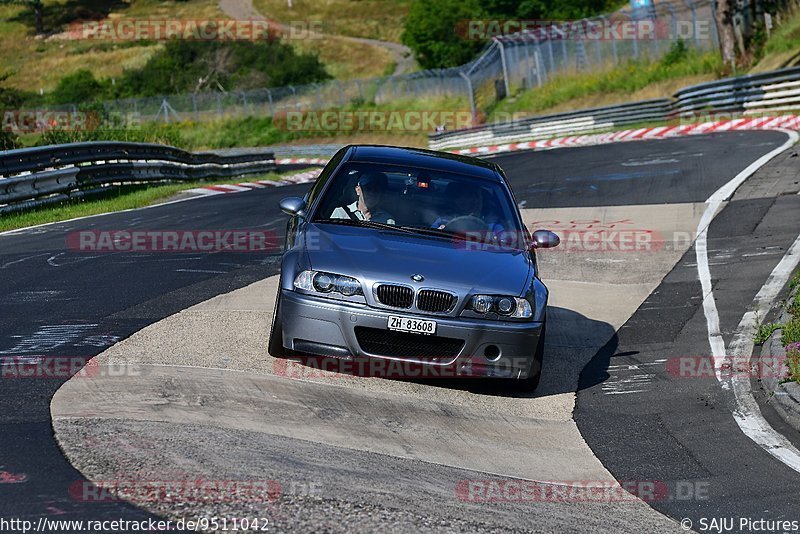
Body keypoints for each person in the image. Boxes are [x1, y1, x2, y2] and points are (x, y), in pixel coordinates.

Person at [330, 172, 396, 225]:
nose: (372, 193)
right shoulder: (340, 213)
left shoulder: (388, 220)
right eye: (368, 188)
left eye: (377, 190)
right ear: (358, 190)